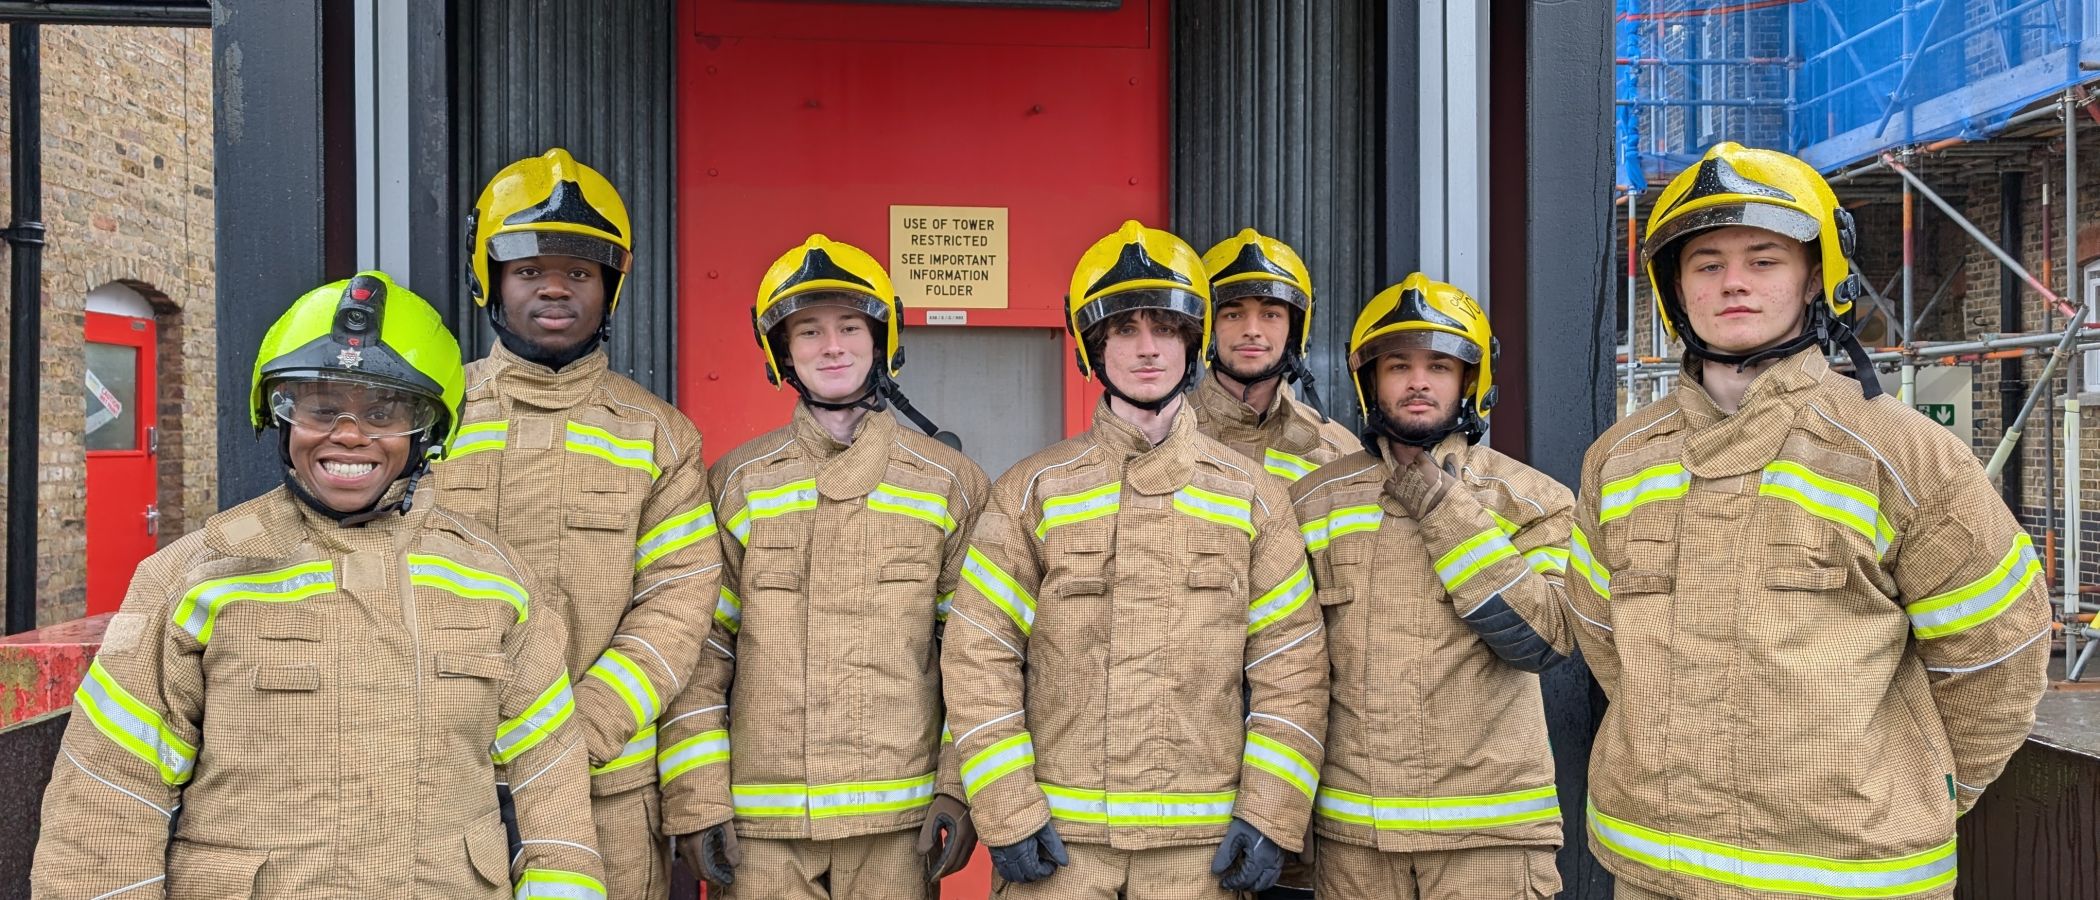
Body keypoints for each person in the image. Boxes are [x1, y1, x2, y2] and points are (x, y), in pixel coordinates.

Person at [1565, 142, 2052, 899]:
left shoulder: (1903, 454)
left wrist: (1916, 786)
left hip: (1847, 880)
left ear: (1816, 276)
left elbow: (1999, 654)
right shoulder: (1618, 462)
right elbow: (1604, 640)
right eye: (1706, 262)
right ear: (1674, 289)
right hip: (1654, 873)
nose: (1733, 283)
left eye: (1764, 259)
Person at [32, 273, 603, 899]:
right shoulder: (197, 575)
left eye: (385, 411)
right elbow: (110, 790)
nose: (350, 434)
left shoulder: (492, 581)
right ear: (280, 416)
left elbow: (551, 768)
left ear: (428, 433)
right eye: (321, 407)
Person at [940, 220, 1328, 899]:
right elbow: (978, 656)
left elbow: (1290, 670)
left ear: (1193, 341)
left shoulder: (1254, 498)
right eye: (1124, 330)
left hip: (1201, 855)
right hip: (1062, 848)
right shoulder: (1031, 491)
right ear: (1094, 345)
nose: (1147, 349)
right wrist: (1006, 810)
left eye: (1167, 329)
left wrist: (1269, 814)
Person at [657, 234, 988, 898]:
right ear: (783, 353)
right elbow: (699, 653)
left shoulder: (948, 484)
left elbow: (977, 656)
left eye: (848, 327)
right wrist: (697, 802)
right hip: (762, 829)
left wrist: (959, 787)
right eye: (807, 331)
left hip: (898, 829)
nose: (831, 346)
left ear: (881, 339)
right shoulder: (737, 484)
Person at [434, 148, 721, 899]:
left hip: (608, 796)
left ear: (610, 288)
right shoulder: (430, 417)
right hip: (439, 789)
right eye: (530, 271)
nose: (555, 287)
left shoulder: (659, 436)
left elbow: (678, 602)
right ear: (488, 280)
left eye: (580, 272)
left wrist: (576, 733)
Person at [1290, 273, 1572, 899]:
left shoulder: (1534, 502)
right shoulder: (1311, 503)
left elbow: (1543, 640)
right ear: (1369, 382)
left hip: (1490, 842)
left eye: (1439, 366)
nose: (1418, 382)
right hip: (1353, 842)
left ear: (1471, 383)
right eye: (1399, 366)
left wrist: (1442, 503)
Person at [1188, 228, 1357, 484]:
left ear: (1295, 330)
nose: (1252, 331)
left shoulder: (1339, 452)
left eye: (1271, 315)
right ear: (1208, 327)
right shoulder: (1163, 436)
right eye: (1233, 315)